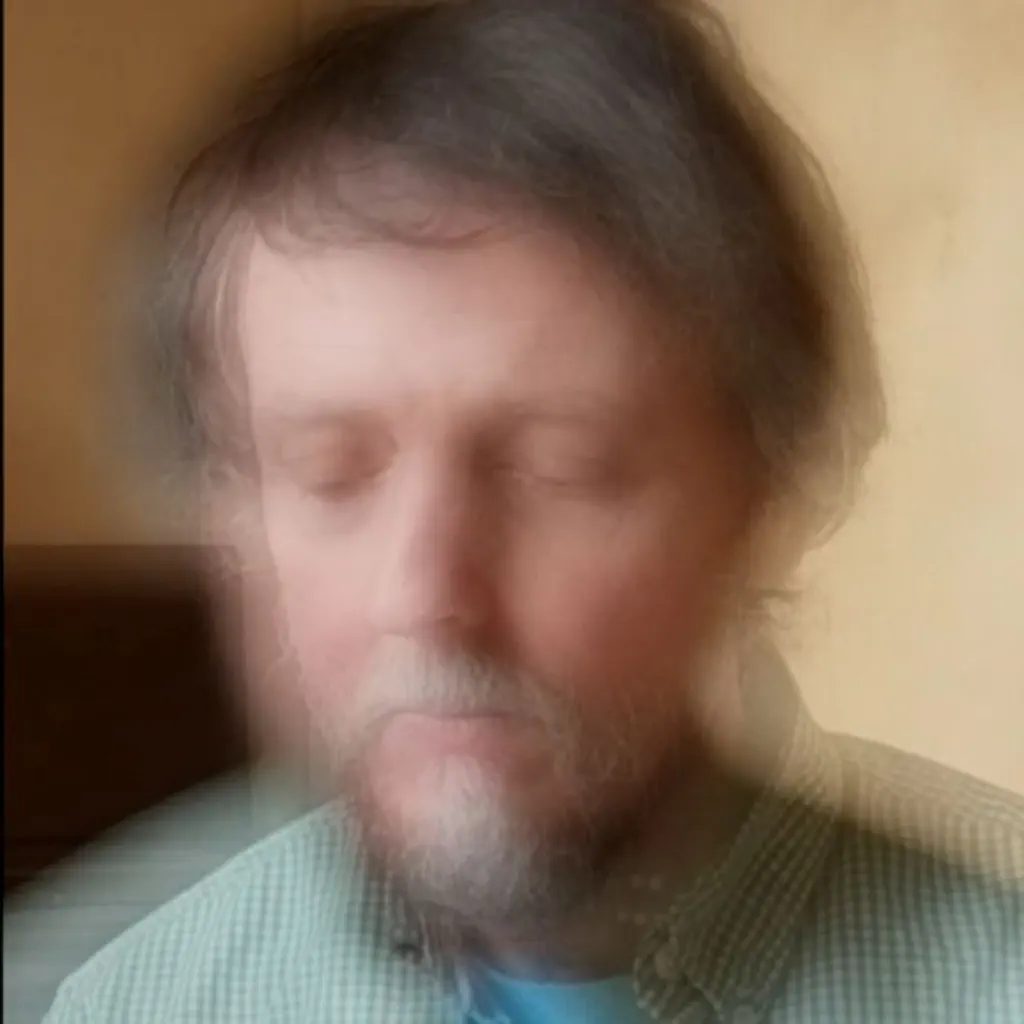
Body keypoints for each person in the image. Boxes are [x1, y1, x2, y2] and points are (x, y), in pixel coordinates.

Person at [44, 1, 1022, 1021]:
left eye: (560, 467)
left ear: (761, 483)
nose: (426, 595)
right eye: (332, 473)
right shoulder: (136, 1001)